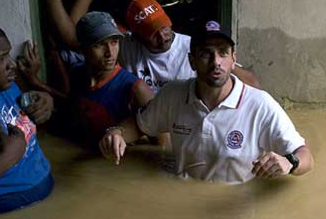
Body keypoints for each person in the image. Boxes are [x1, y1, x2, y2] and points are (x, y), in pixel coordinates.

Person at [99, 20, 314, 183]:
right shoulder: (173, 95)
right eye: (206, 54)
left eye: (223, 53)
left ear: (233, 59)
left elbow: (305, 157)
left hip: (234, 206)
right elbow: (139, 125)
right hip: (184, 197)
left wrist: (289, 162)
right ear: (192, 61)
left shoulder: (260, 105)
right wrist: (116, 133)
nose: (216, 62)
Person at [42, 0, 260, 92]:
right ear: (137, 35)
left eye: (162, 26)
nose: (163, 34)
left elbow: (253, 85)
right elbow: (75, 35)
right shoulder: (125, 45)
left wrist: (223, 67)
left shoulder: (192, 49)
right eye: (152, 32)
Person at [67, 11, 154, 144]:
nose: (110, 53)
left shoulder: (136, 88)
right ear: (83, 49)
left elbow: (162, 144)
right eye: (99, 44)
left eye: (114, 42)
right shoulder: (76, 74)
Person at [0, 25, 54, 213]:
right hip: (10, 208)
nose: (11, 64)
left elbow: (29, 124)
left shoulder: (7, 87)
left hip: (42, 191)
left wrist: (46, 102)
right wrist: (7, 157)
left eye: (8, 55)